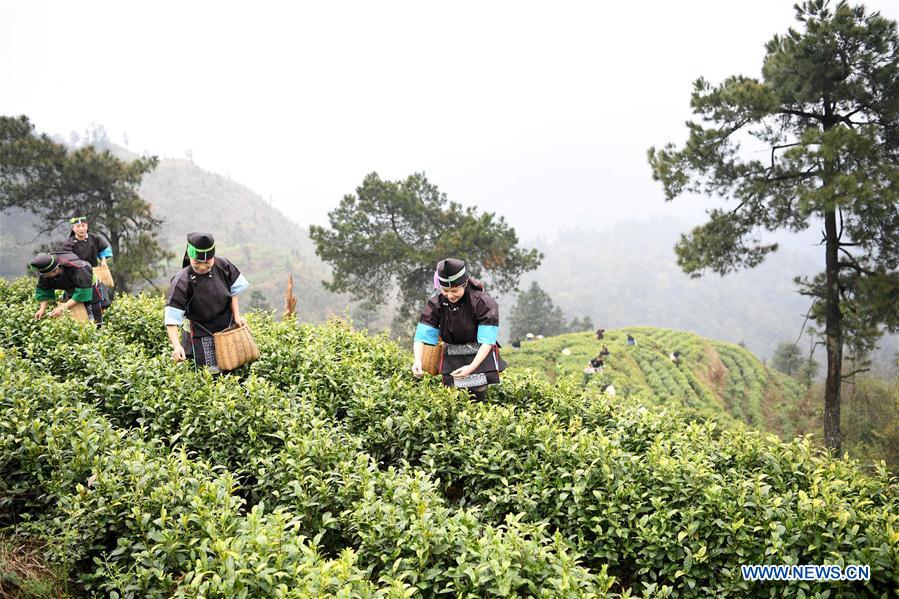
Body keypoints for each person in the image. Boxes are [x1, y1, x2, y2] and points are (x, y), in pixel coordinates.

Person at [412, 258, 506, 400]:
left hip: (478, 356)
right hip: (452, 357)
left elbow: (488, 341)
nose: (450, 295)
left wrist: (471, 367)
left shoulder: (482, 302)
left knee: (477, 398)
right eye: (445, 290)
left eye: (455, 290)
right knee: (452, 399)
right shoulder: (436, 303)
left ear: (465, 283)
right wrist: (417, 361)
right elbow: (421, 335)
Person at [164, 232, 249, 373]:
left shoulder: (223, 265)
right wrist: (176, 346)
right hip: (198, 337)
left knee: (234, 372)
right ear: (190, 256)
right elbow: (172, 319)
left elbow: (233, 292)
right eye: (197, 262)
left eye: (208, 262)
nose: (203, 267)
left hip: (227, 332)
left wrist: (237, 317)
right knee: (209, 379)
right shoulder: (182, 281)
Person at [30, 252, 104, 325]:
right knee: (73, 319)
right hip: (70, 290)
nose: (45, 276)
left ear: (56, 270)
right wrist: (42, 309)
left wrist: (62, 308)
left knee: (93, 321)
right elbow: (43, 290)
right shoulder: (46, 271)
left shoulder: (79, 269)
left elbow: (82, 293)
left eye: (47, 274)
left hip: (89, 290)